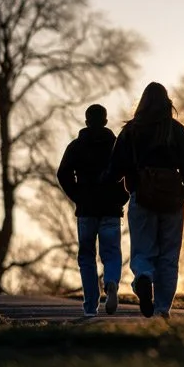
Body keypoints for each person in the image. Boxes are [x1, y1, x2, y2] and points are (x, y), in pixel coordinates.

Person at [102, 82, 184, 319]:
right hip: (173, 201)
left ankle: (144, 277)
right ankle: (162, 309)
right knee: (169, 255)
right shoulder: (177, 131)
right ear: (167, 102)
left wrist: (107, 189)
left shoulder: (131, 132)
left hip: (142, 197)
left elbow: (115, 169)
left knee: (143, 250)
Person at [57, 103, 128, 317]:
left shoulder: (76, 146)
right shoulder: (116, 146)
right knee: (111, 252)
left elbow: (63, 174)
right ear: (106, 121)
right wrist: (121, 197)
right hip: (111, 209)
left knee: (87, 257)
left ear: (86, 121)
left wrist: (77, 196)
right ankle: (111, 282)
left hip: (86, 210)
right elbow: (128, 171)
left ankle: (90, 306)